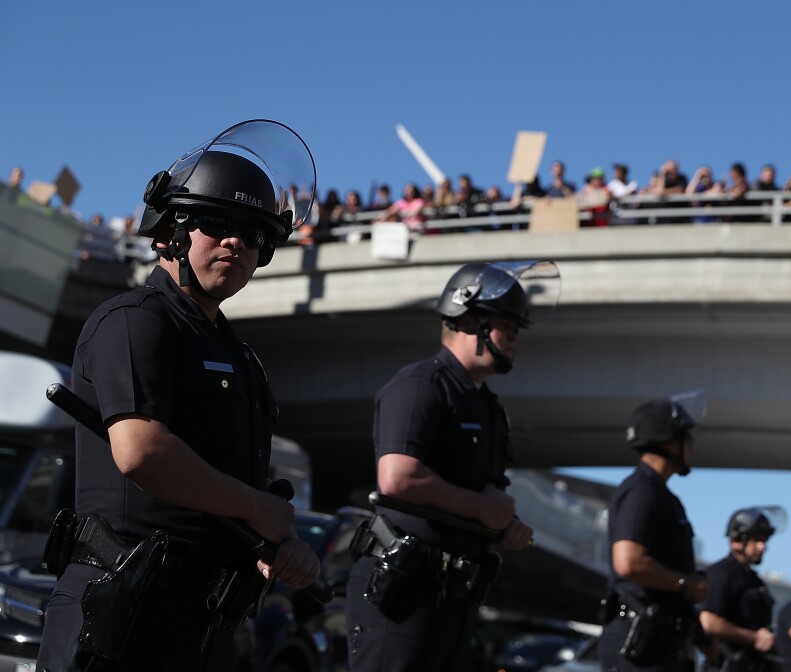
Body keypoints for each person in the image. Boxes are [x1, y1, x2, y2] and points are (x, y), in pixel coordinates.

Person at [36, 119, 322, 672]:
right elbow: (140, 451)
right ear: (170, 230)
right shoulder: (136, 322)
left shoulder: (239, 355)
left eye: (254, 231)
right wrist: (259, 509)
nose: (236, 241)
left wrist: (271, 545)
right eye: (216, 221)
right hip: (119, 619)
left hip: (196, 624)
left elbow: (226, 493)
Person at [345, 260, 561, 672]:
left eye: (517, 329)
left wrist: (502, 524)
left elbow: (488, 497)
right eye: (506, 326)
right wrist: (483, 509)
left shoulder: (489, 408)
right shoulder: (421, 385)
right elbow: (397, 477)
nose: (515, 337)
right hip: (402, 594)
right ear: (470, 320)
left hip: (455, 597)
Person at [598, 392, 711, 672]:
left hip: (658, 642)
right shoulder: (642, 490)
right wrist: (687, 584)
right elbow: (629, 561)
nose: (691, 446)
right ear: (670, 442)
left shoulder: (660, 494)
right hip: (640, 646)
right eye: (687, 437)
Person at [700, 507, 782, 672]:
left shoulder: (754, 580)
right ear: (737, 541)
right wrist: (753, 638)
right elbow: (709, 621)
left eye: (765, 540)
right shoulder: (721, 573)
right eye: (757, 540)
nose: (762, 547)